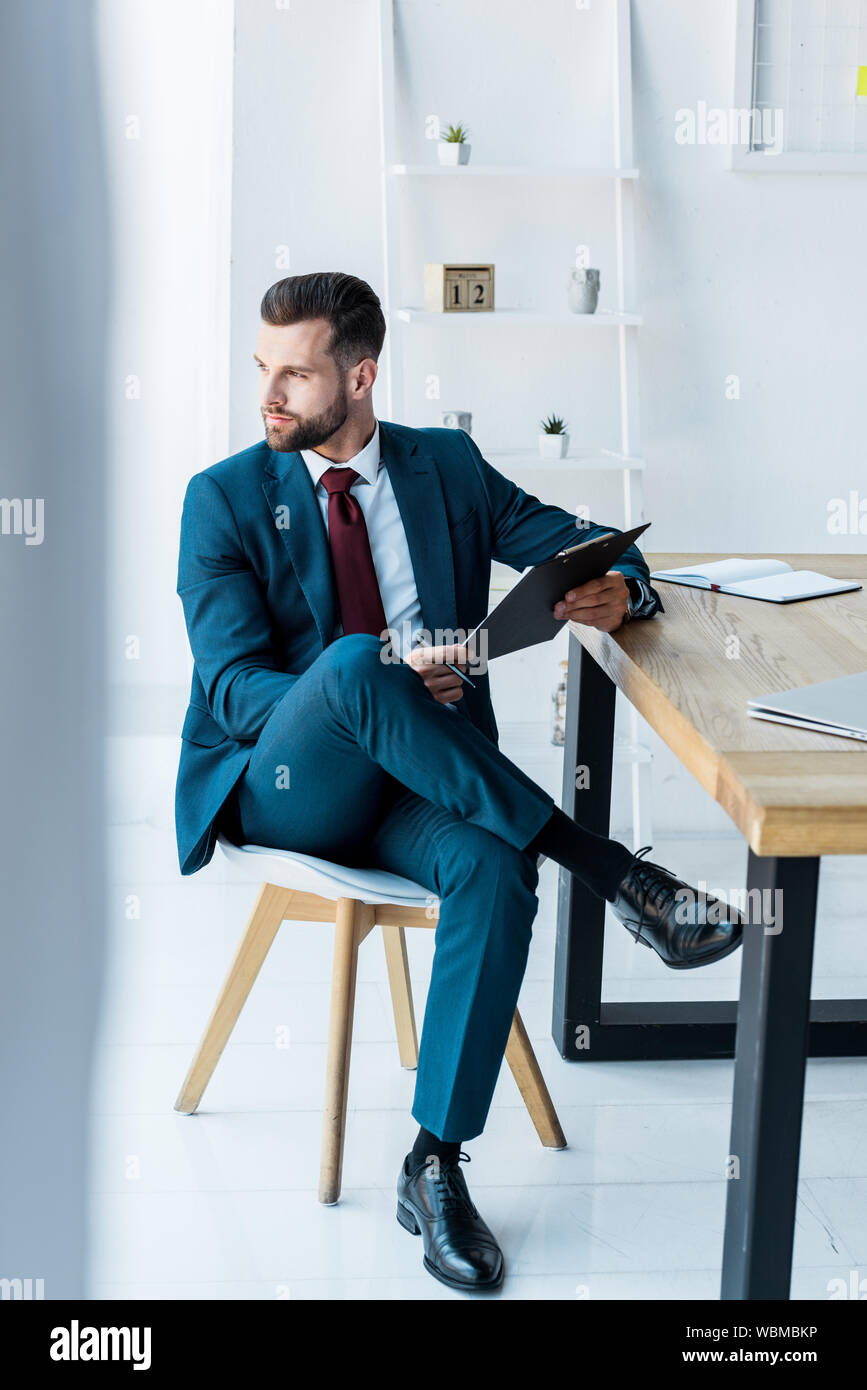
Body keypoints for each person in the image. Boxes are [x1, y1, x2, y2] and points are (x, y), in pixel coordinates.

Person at [174, 270, 743, 1294]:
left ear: (361, 375)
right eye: (262, 369)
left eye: (294, 375)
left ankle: (433, 1161)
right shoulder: (221, 498)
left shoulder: (448, 467)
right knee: (355, 663)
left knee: (491, 866)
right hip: (289, 779)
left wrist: (626, 589)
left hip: (424, 789)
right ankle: (616, 873)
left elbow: (577, 544)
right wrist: (379, 679)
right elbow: (232, 687)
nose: (269, 395)